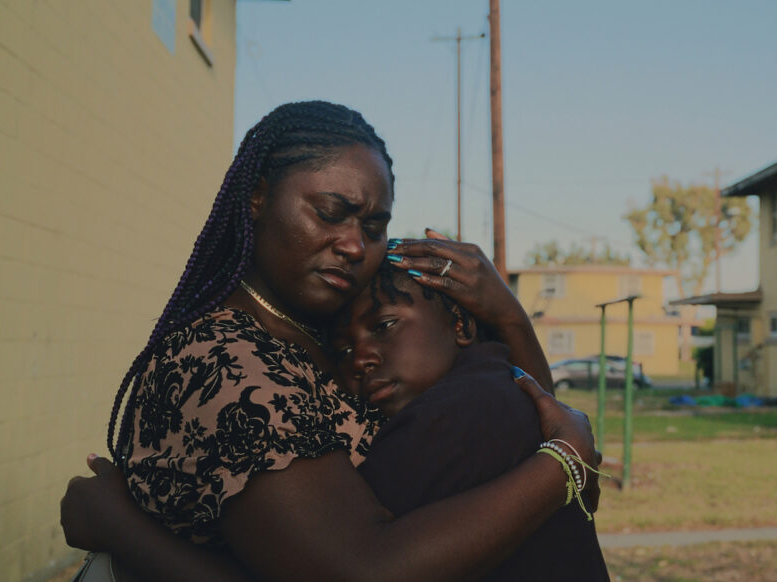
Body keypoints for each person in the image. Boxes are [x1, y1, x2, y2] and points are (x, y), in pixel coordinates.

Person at [60, 101, 599, 581]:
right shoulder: (226, 362)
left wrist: (508, 317)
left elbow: (516, 435)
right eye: (331, 213)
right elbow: (360, 570)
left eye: (374, 227)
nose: (354, 245)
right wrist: (562, 466)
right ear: (257, 197)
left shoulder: (330, 331)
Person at [332, 261, 610, 580]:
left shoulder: (450, 416)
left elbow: (350, 555)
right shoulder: (498, 385)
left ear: (461, 325)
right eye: (344, 351)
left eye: (384, 325)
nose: (360, 359)